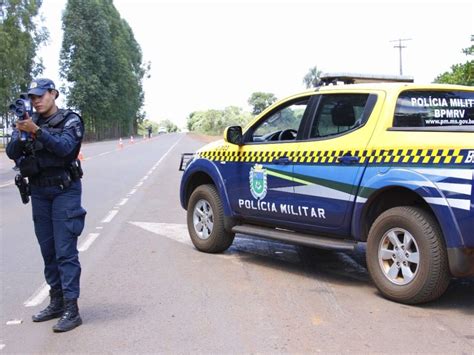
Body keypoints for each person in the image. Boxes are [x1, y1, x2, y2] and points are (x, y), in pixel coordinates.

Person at [6, 78, 86, 333]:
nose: (36, 100)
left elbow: (66, 149)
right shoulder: (30, 120)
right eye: (33, 97)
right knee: (48, 250)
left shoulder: (70, 120)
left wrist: (36, 131)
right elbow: (11, 152)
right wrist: (21, 132)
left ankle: (72, 309)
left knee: (65, 251)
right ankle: (56, 302)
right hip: (39, 191)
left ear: (54, 94)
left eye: (41, 95)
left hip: (64, 190)